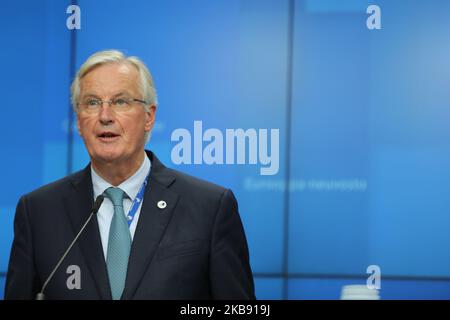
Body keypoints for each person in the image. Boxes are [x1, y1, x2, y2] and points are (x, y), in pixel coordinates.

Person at [5, 50, 255, 300]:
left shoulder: (209, 208)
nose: (104, 116)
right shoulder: (38, 211)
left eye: (120, 101)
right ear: (79, 122)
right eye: (92, 103)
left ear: (149, 116)